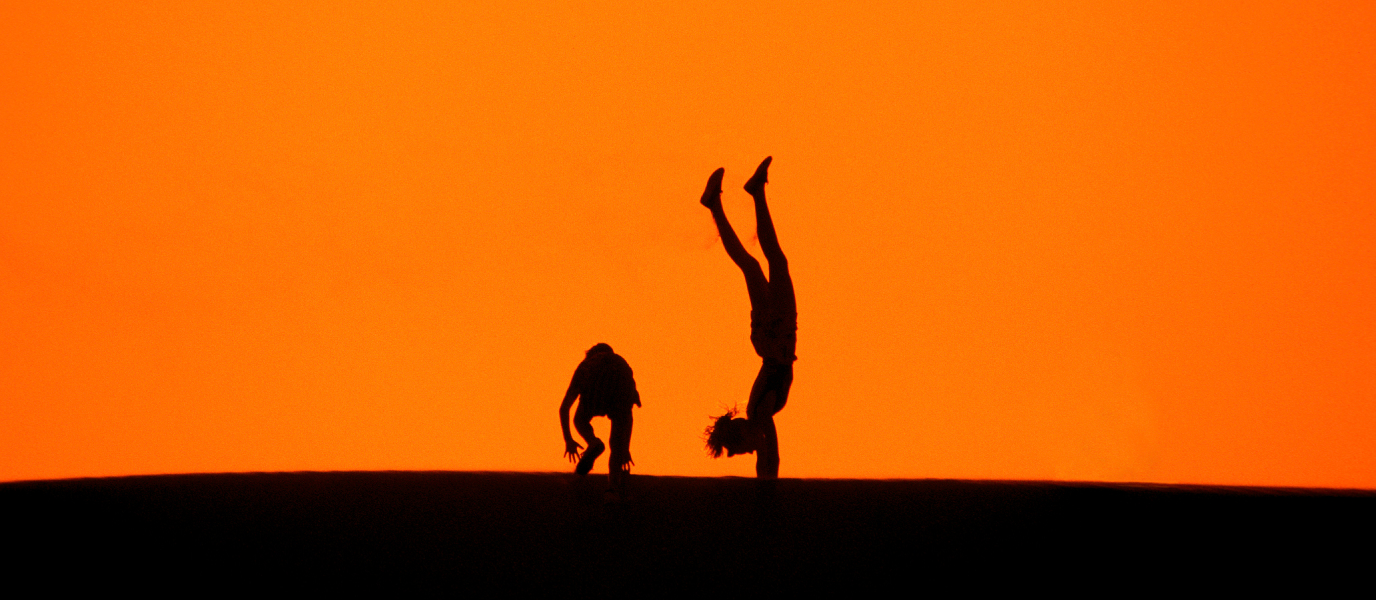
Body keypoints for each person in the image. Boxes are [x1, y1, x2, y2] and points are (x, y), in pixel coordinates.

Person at [700, 156, 796, 480]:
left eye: (746, 446)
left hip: (775, 338)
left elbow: (771, 454)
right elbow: (768, 454)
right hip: (771, 339)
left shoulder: (760, 412)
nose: (754, 448)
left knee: (771, 262)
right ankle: (726, 201)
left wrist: (767, 479)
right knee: (756, 265)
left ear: (744, 432)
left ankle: (744, 196)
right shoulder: (759, 413)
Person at [559, 342, 640, 499]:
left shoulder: (586, 365)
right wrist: (625, 448)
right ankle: (611, 490)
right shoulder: (621, 364)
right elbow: (628, 415)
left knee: (580, 419)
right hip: (620, 393)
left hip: (594, 393)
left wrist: (568, 440)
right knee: (616, 446)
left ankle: (593, 442)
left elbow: (564, 408)